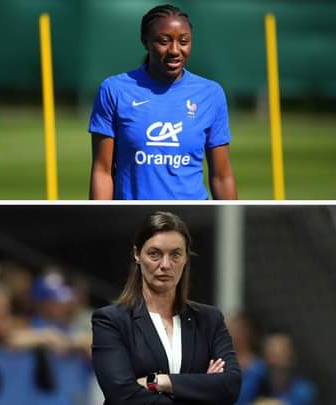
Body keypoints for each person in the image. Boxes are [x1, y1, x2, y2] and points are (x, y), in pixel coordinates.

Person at [89, 4, 237, 200]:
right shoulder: (114, 90)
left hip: (192, 215)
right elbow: (102, 171)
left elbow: (221, 176)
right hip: (132, 216)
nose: (175, 50)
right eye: (164, 41)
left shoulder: (211, 94)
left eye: (184, 41)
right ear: (145, 42)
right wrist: (101, 220)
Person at [91, 211, 241, 404]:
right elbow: (122, 395)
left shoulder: (209, 319)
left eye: (175, 254)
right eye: (155, 254)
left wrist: (159, 382)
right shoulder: (111, 320)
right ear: (137, 254)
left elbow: (230, 385)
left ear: (186, 258)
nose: (165, 264)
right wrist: (201, 388)